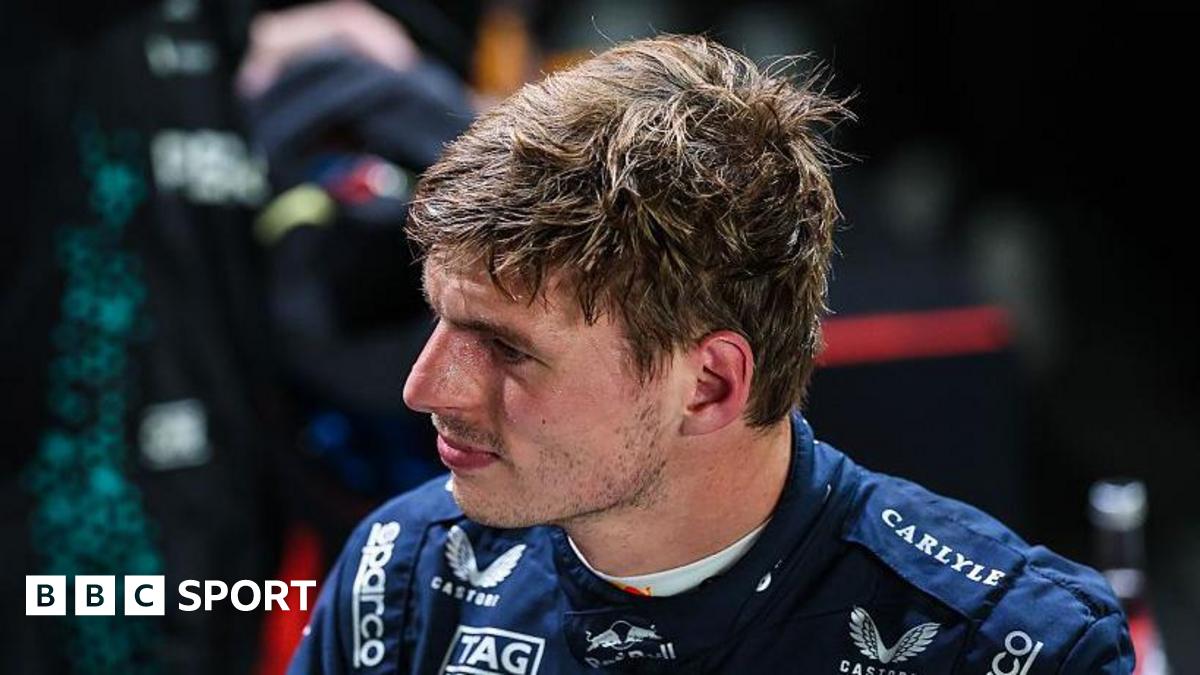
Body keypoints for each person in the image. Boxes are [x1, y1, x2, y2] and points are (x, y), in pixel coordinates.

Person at [289, 34, 1134, 674]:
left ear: (710, 384)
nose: (425, 386)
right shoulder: (400, 574)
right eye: (438, 319)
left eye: (507, 348)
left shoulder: (1005, 645)